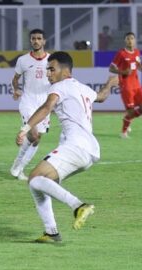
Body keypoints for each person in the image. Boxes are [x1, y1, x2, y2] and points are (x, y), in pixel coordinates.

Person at [16, 51, 118, 243]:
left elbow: (47, 107)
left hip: (75, 145)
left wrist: (25, 128)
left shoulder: (60, 86)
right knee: (39, 184)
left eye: (51, 69)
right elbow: (102, 96)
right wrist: (110, 84)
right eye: (47, 69)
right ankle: (51, 231)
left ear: (65, 70)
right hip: (89, 150)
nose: (48, 73)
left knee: (34, 178)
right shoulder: (83, 88)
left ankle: (79, 206)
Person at [10, 28, 50, 181]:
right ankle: (16, 166)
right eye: (33, 38)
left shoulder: (51, 60)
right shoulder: (23, 60)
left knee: (37, 138)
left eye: (39, 38)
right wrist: (16, 90)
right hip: (28, 101)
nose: (36, 41)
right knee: (32, 134)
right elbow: (15, 78)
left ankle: (19, 167)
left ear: (44, 41)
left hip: (44, 104)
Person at [109, 32, 142, 138]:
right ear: (125, 40)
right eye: (128, 38)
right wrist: (123, 72)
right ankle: (123, 132)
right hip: (126, 86)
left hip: (137, 85)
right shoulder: (121, 54)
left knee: (135, 111)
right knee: (131, 111)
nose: (130, 40)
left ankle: (127, 119)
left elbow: (138, 65)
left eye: (132, 38)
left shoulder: (137, 52)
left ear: (135, 40)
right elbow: (111, 68)